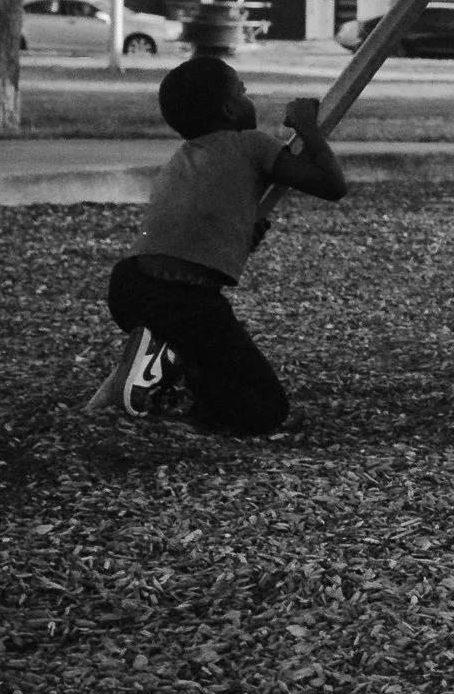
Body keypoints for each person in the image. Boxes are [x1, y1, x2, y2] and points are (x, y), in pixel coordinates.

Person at [103, 57, 347, 436]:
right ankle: (170, 381)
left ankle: (164, 358)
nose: (249, 101)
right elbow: (332, 185)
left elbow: (196, 225)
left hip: (131, 284)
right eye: (243, 94)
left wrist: (238, 234)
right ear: (230, 108)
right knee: (267, 407)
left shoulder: (185, 158)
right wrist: (308, 128)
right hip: (184, 297)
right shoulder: (249, 145)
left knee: (211, 357)